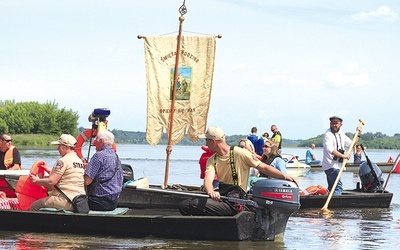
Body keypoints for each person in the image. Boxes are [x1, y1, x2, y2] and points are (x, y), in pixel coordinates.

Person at [179, 126, 297, 216]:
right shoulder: (212, 159)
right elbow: (208, 180)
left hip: (236, 201)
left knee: (191, 204)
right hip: (223, 197)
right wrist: (211, 192)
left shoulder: (240, 153)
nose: (205, 143)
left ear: (214, 142)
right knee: (184, 205)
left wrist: (285, 177)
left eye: (207, 140)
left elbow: (263, 167)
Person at [30, 134, 86, 211]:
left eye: (59, 146)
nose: (57, 149)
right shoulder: (79, 161)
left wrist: (35, 180)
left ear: (66, 147)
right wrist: (49, 170)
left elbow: (51, 181)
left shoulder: (62, 161)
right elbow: (66, 175)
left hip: (65, 200)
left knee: (34, 206)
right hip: (78, 201)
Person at [322, 116, 362, 195]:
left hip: (338, 165)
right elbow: (330, 150)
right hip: (330, 165)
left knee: (332, 187)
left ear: (340, 125)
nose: (334, 125)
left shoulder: (341, 134)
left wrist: (358, 133)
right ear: (330, 124)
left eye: (336, 123)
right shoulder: (328, 135)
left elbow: (352, 143)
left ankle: (328, 200)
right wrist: (343, 156)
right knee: (338, 187)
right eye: (332, 123)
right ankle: (336, 205)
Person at [84, 130, 123, 211]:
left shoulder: (98, 156)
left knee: (74, 202)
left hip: (98, 202)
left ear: (101, 141)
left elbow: (86, 181)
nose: (94, 143)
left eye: (96, 139)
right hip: (113, 203)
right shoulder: (116, 156)